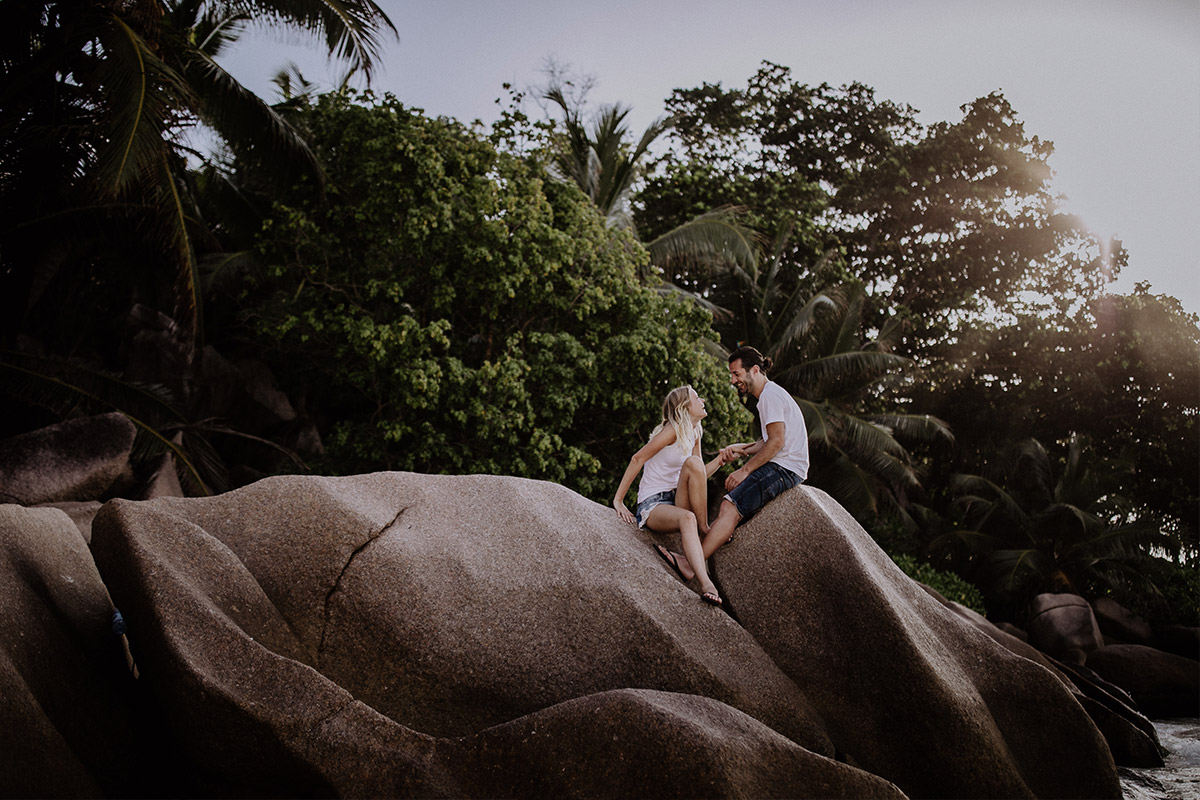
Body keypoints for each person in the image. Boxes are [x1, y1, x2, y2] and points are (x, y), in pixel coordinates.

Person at [655, 346, 808, 579]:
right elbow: (768, 440)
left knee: (730, 507)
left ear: (754, 370)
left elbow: (777, 442)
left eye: (736, 374)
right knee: (731, 504)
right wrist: (741, 449)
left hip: (784, 468)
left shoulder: (769, 396)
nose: (733, 380)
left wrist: (744, 471)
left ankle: (689, 564)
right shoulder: (771, 395)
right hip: (786, 465)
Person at [612, 385, 730, 606]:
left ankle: (703, 527)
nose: (702, 400)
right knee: (688, 518)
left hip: (676, 499)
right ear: (685, 406)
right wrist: (618, 499)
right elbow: (637, 459)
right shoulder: (672, 430)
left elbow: (699, 474)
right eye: (697, 397)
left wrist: (723, 459)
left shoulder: (695, 432)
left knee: (695, 463)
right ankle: (706, 583)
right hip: (654, 504)